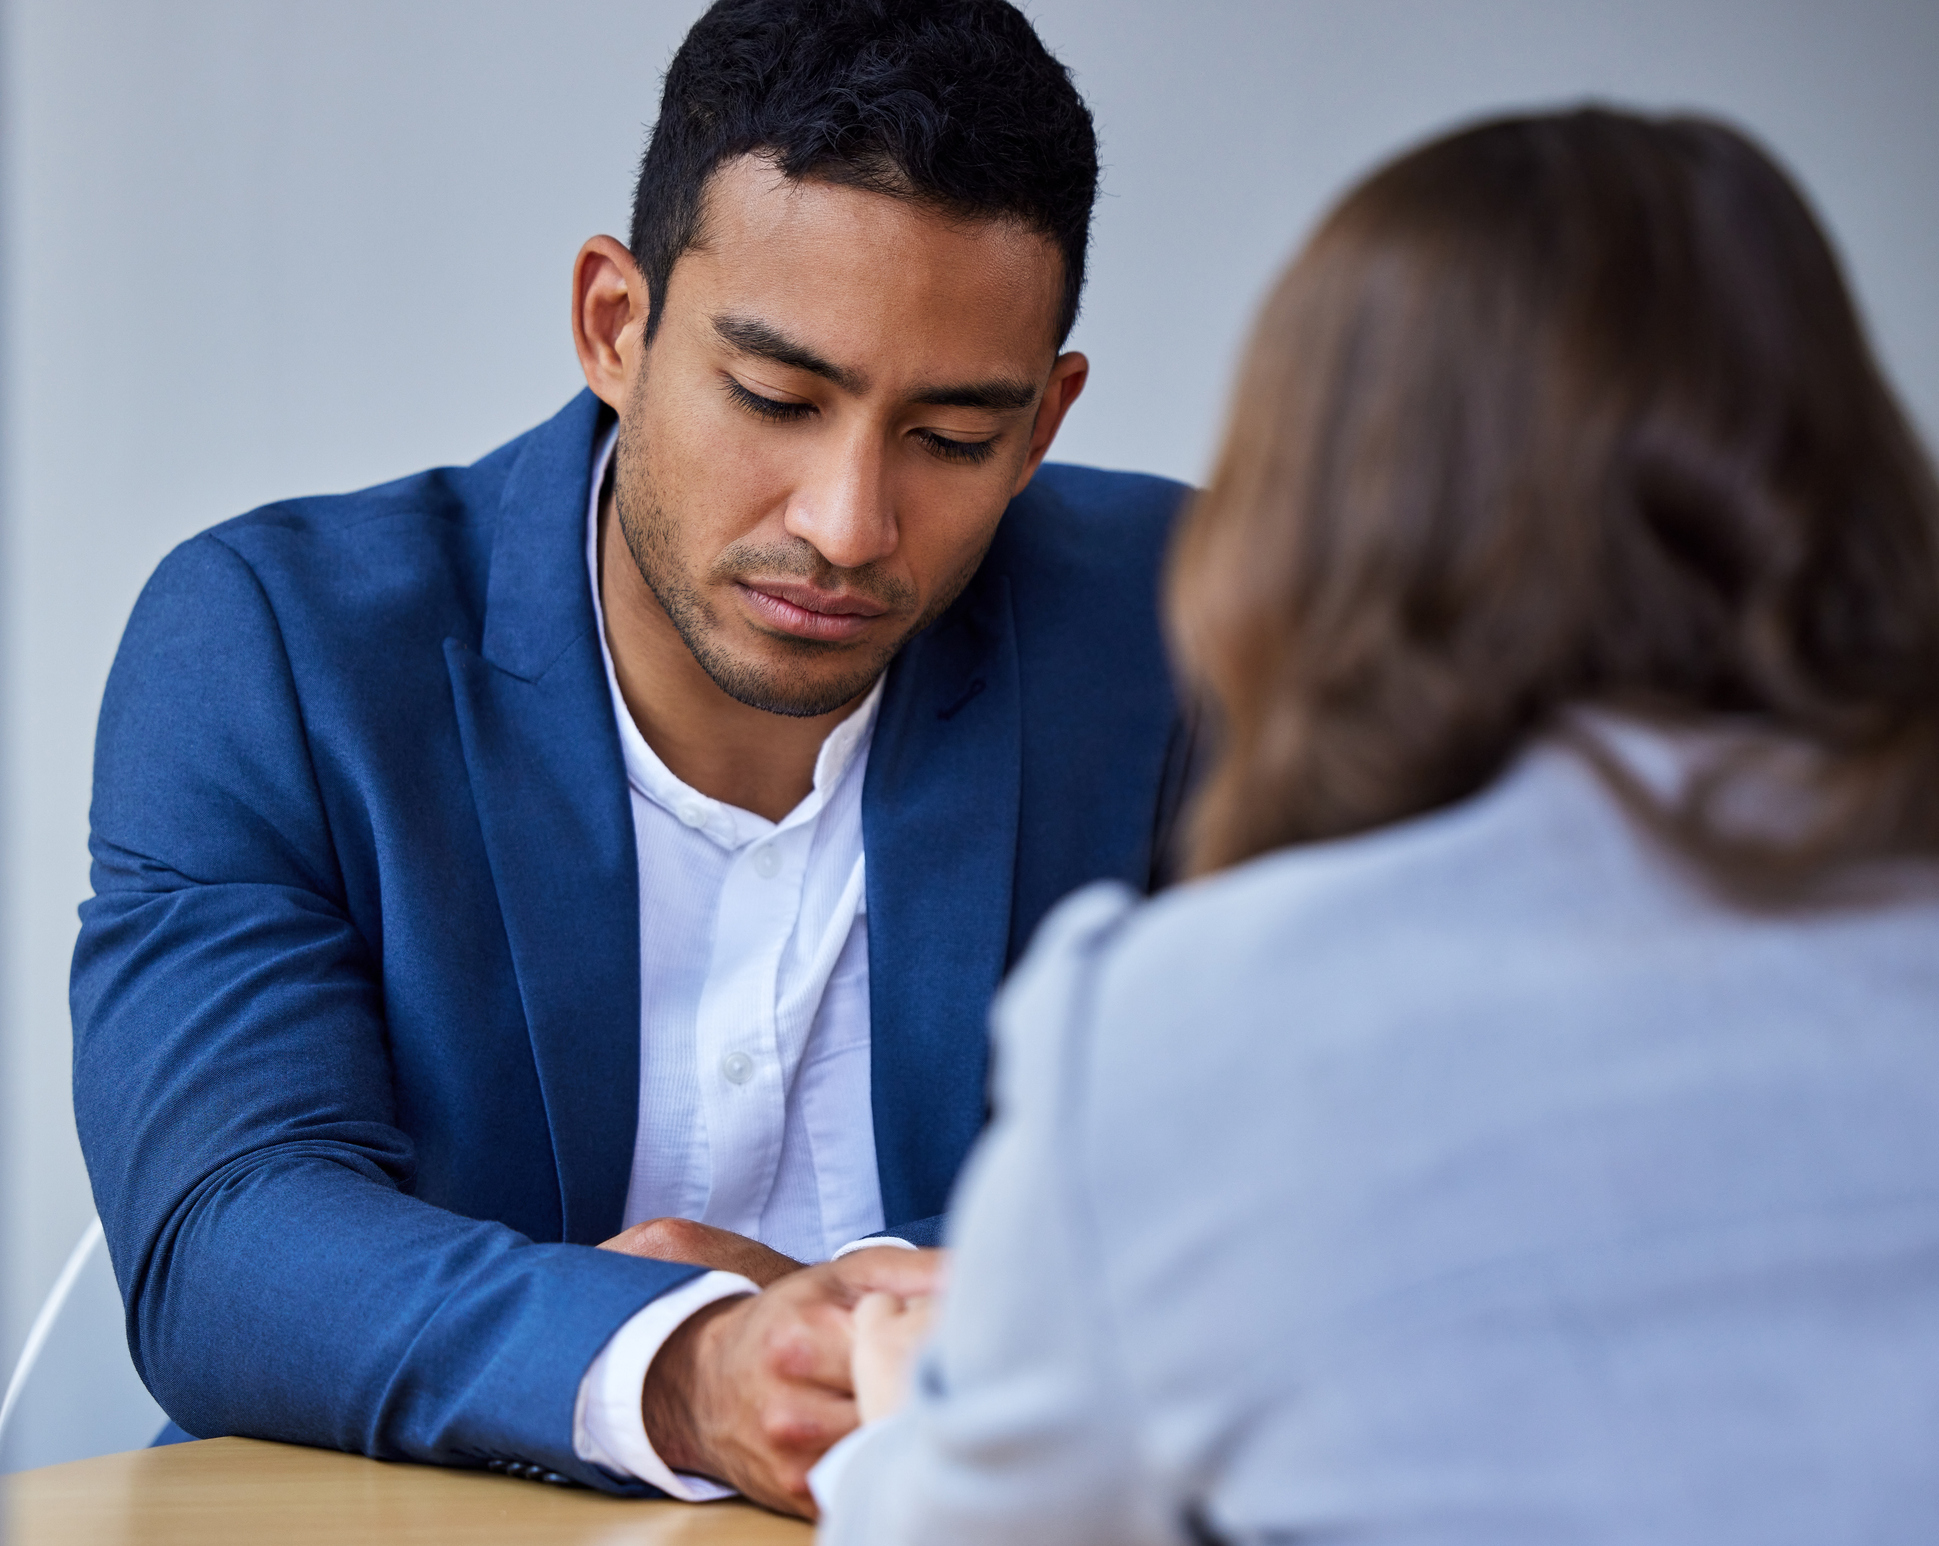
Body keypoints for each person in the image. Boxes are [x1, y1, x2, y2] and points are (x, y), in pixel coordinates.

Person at [69, 0, 1193, 1517]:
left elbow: (1344, 1178)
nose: (847, 523)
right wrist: (688, 1365)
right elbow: (226, 1236)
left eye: (950, 436)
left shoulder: (1190, 627)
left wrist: (842, 1295)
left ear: (1045, 419)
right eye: (778, 400)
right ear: (617, 324)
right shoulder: (278, 648)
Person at [819, 108, 1939, 1544]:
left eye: (958, 432)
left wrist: (913, 1414)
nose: (853, 524)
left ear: (1321, 508)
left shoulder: (1183, 1027)